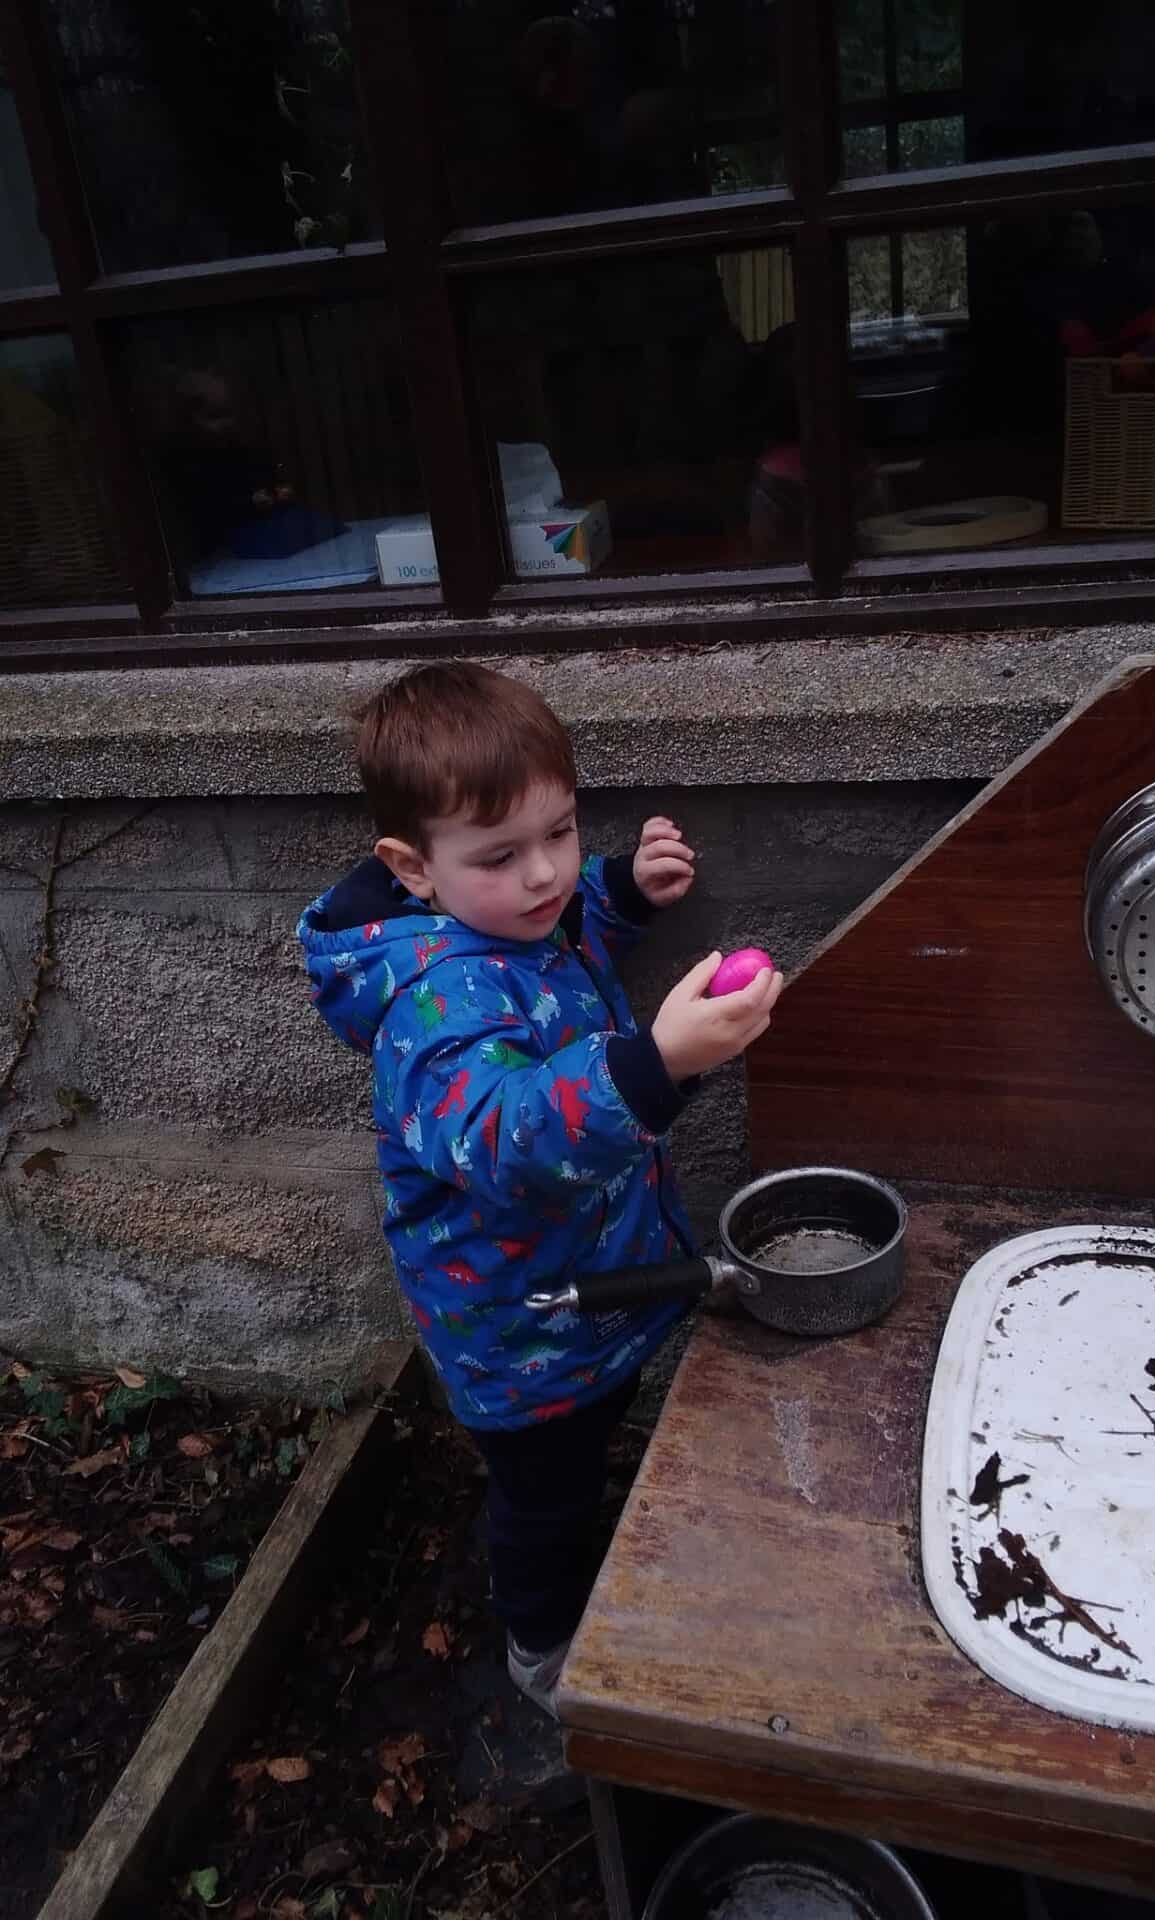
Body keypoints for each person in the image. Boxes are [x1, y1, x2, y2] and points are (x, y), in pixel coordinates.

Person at [297, 662, 782, 1716]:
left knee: (584, 1453)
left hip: (584, 1296)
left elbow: (557, 953)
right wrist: (658, 1064)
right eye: (502, 854)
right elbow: (506, 1141)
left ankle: (573, 1567)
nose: (541, 873)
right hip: (518, 1332)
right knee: (544, 1498)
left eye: (559, 833)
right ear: (410, 867)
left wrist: (617, 890)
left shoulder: (517, 922)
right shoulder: (431, 1008)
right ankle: (542, 1652)